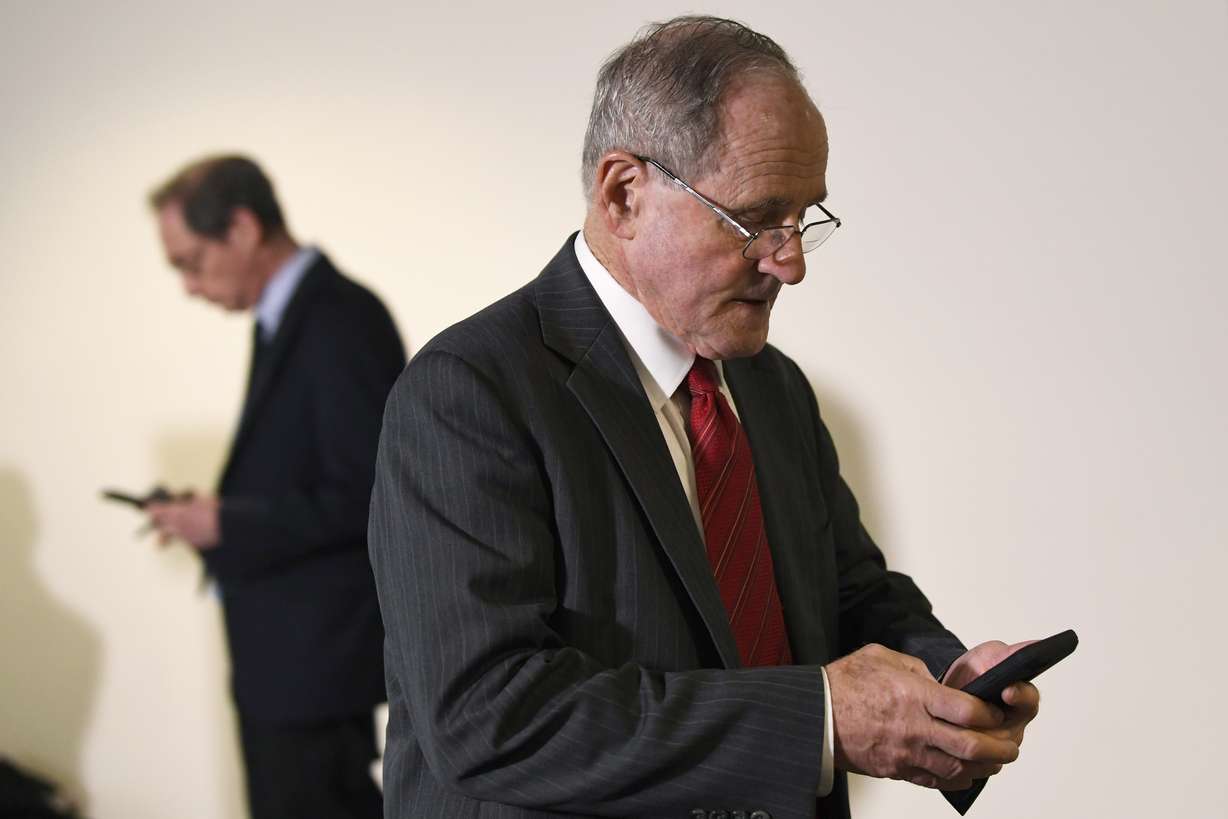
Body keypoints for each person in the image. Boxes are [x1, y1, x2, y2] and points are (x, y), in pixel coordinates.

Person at [369, 16, 1040, 819]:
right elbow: (491, 715)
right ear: (624, 194)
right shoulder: (468, 392)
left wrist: (945, 680)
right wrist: (823, 719)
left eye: (805, 219)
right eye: (756, 218)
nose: (789, 261)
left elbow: (850, 594)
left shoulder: (773, 387)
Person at [144, 155, 405, 819]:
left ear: (240, 228)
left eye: (190, 261)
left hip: (313, 668)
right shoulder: (289, 318)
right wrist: (215, 515)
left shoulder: (339, 317)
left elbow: (369, 493)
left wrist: (228, 524)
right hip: (289, 664)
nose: (187, 285)